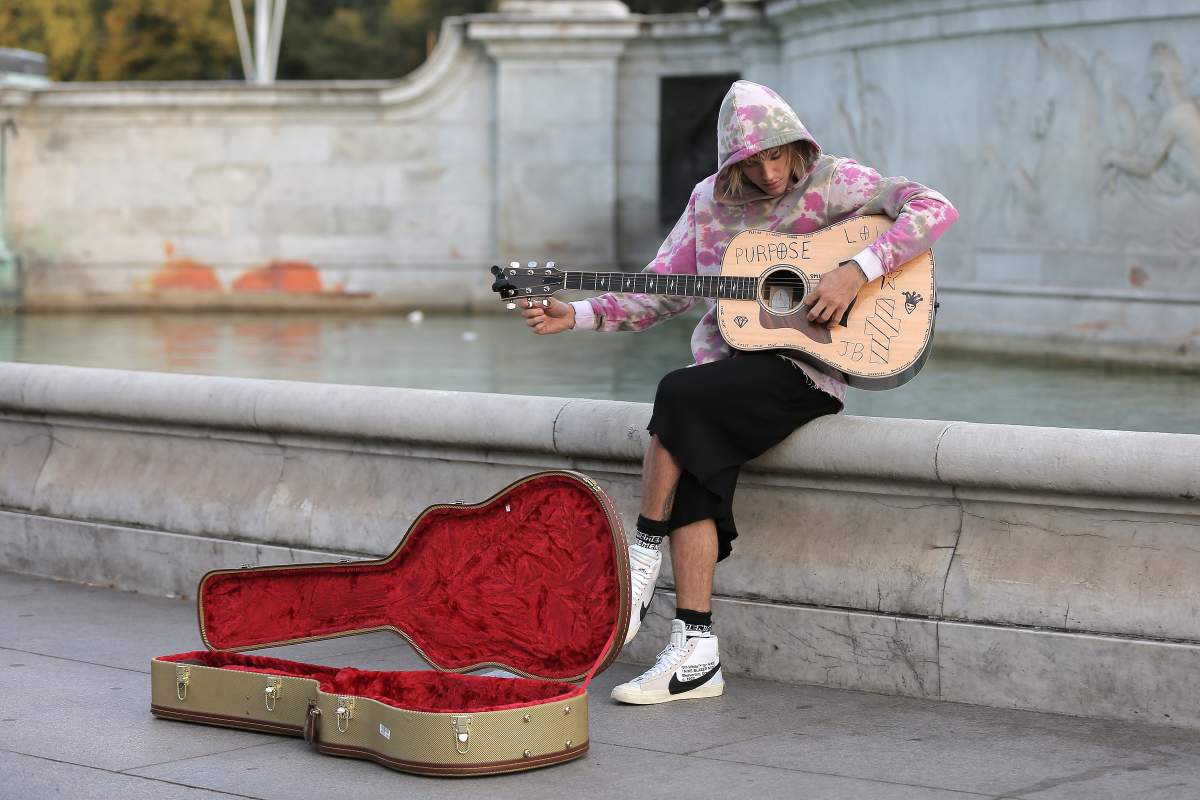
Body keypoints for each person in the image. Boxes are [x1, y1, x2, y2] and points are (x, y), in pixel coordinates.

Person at [519, 80, 957, 704]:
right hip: (729, 372)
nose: (772, 174)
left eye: (779, 157)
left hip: (804, 370)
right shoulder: (708, 202)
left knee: (679, 394)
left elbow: (933, 208)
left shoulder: (834, 181)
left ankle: (641, 550)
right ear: (732, 164)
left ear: (796, 146)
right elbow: (664, 290)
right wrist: (579, 313)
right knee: (697, 448)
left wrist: (853, 270)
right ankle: (695, 655)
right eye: (754, 164)